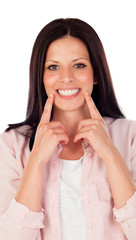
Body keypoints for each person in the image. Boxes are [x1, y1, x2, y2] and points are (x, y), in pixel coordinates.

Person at [0, 18, 136, 240]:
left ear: (96, 75)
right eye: (53, 67)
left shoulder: (131, 136)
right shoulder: (12, 145)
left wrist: (110, 154)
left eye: (79, 65)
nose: (66, 78)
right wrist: (36, 161)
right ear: (41, 77)